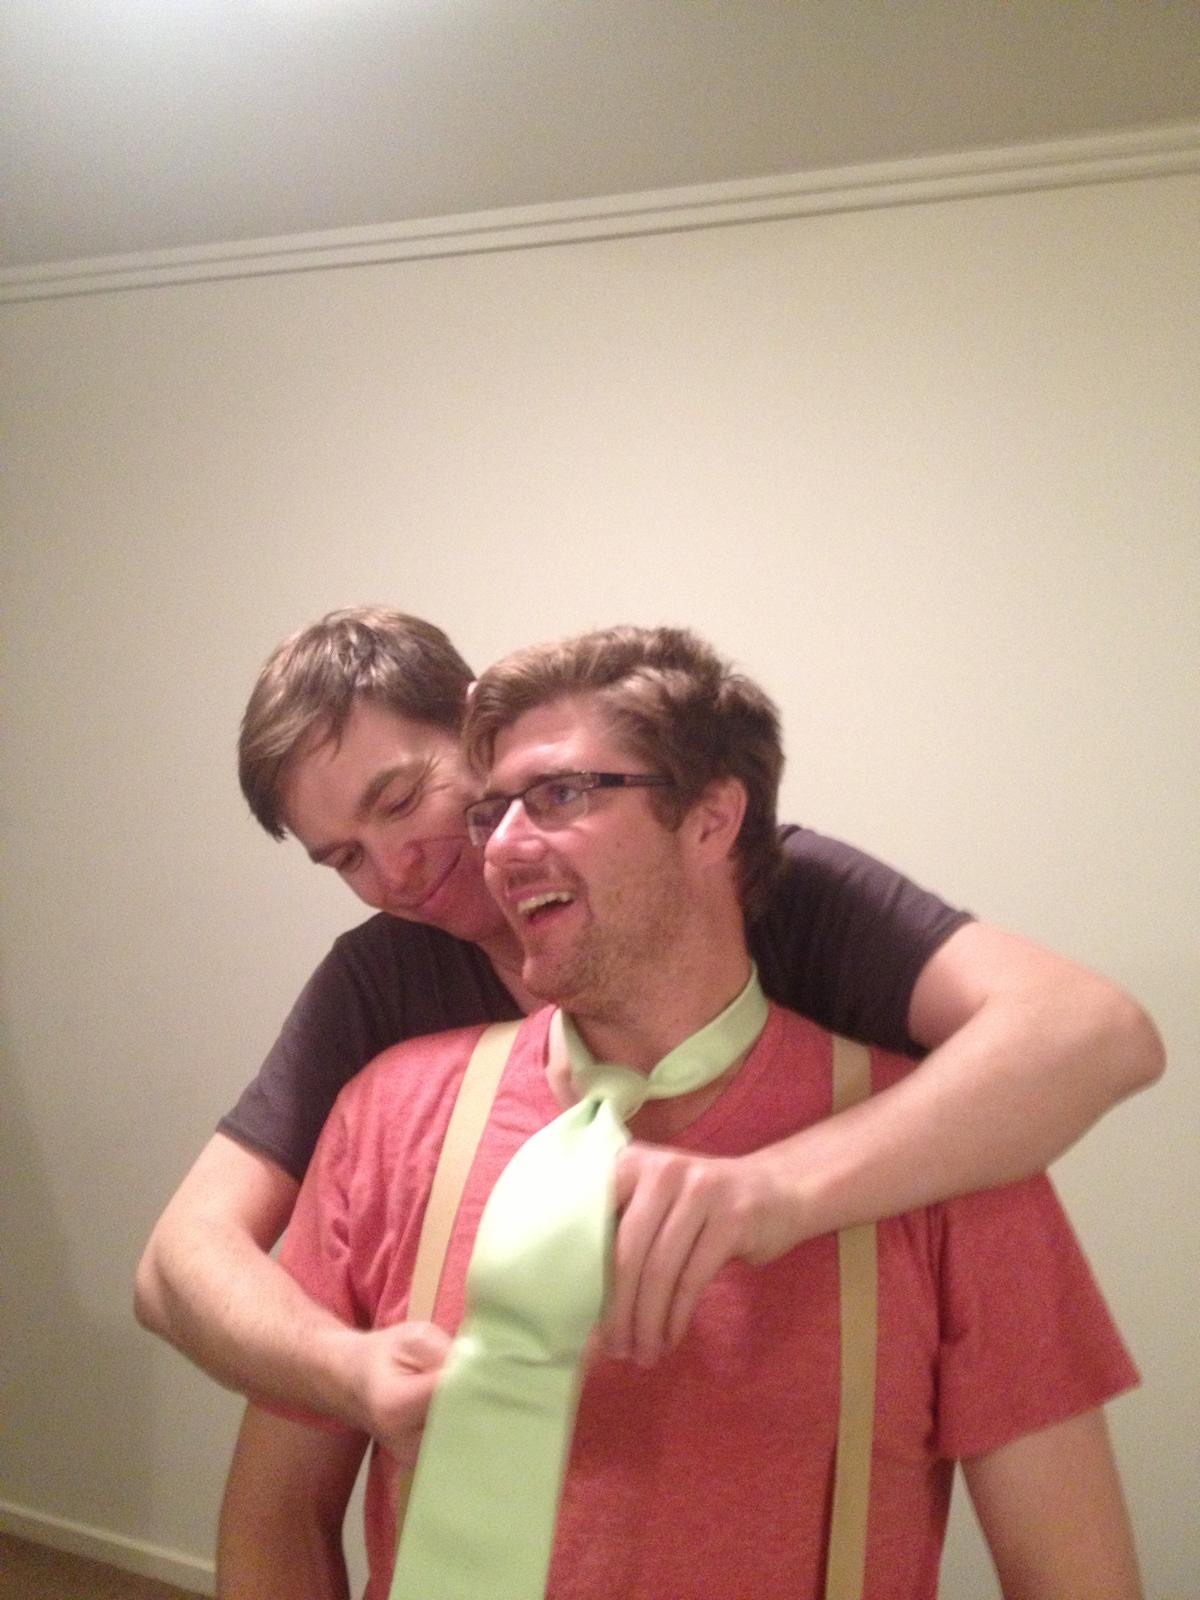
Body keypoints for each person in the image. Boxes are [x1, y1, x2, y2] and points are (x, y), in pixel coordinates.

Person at [217, 625, 1142, 1598]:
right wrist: (344, 1369)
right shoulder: (386, 1113)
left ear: (711, 819)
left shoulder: (951, 1153)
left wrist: (775, 1191)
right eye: (494, 810)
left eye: (561, 794)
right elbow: (274, 1508)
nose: (501, 846)